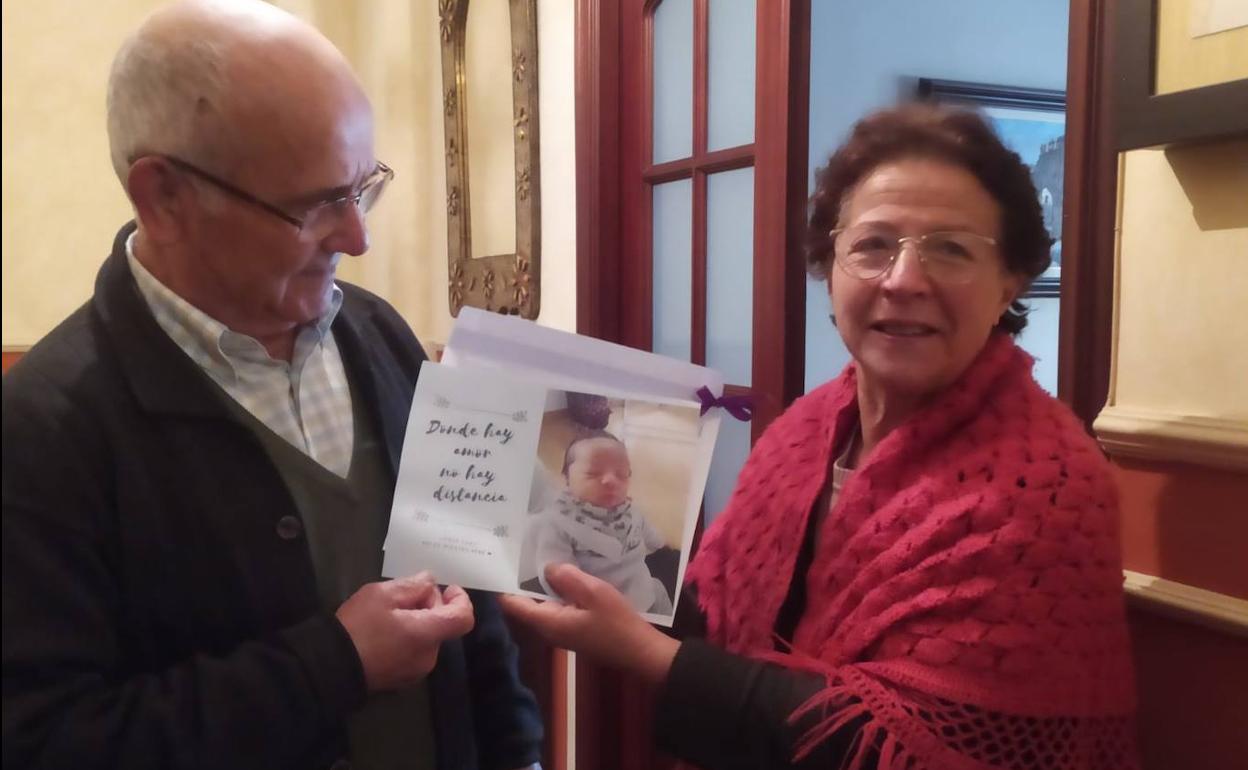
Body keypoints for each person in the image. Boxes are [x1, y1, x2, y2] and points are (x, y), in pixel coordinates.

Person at [502, 104, 1140, 770]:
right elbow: (723, 624)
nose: (903, 280)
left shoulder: (1047, 483)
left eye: (950, 249)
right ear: (829, 266)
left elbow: (909, 747)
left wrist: (645, 653)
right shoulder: (803, 434)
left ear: (1011, 277)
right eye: (873, 245)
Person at [1, 2, 542, 768]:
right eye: (316, 204)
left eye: (363, 187)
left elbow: (475, 614)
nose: (358, 238)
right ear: (163, 199)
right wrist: (335, 662)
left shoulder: (382, 338)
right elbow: (45, 739)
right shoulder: (42, 431)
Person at [531, 431, 672, 614]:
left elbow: (649, 532)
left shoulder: (631, 511)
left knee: (660, 593)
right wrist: (563, 579)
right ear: (566, 479)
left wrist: (661, 544)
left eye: (622, 474)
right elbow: (554, 567)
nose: (610, 481)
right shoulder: (559, 521)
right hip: (599, 607)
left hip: (642, 591)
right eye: (593, 473)